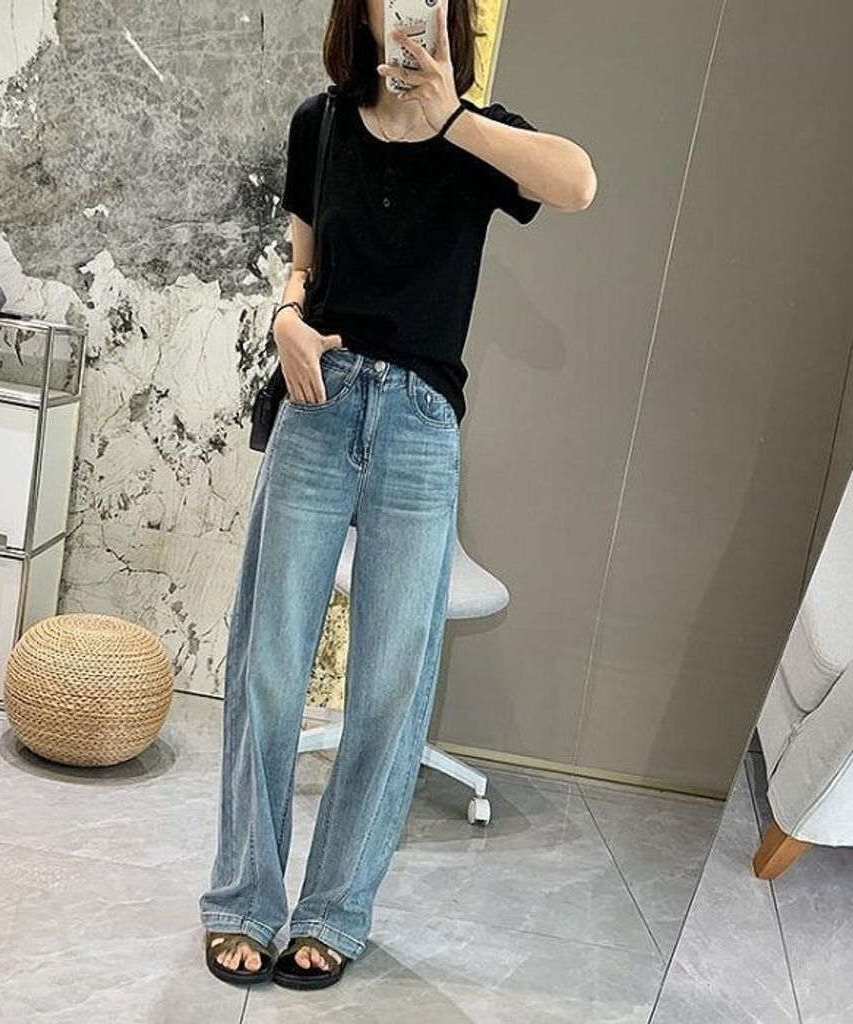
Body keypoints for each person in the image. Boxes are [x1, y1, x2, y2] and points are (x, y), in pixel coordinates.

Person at [199, 0, 596, 991]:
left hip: (419, 423)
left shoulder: (481, 137)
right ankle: (244, 899)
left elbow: (577, 182)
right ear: (364, 9)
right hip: (317, 401)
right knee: (267, 665)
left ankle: (333, 911)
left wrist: (451, 116)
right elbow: (301, 267)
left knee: (388, 683)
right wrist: (285, 320)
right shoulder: (320, 123)